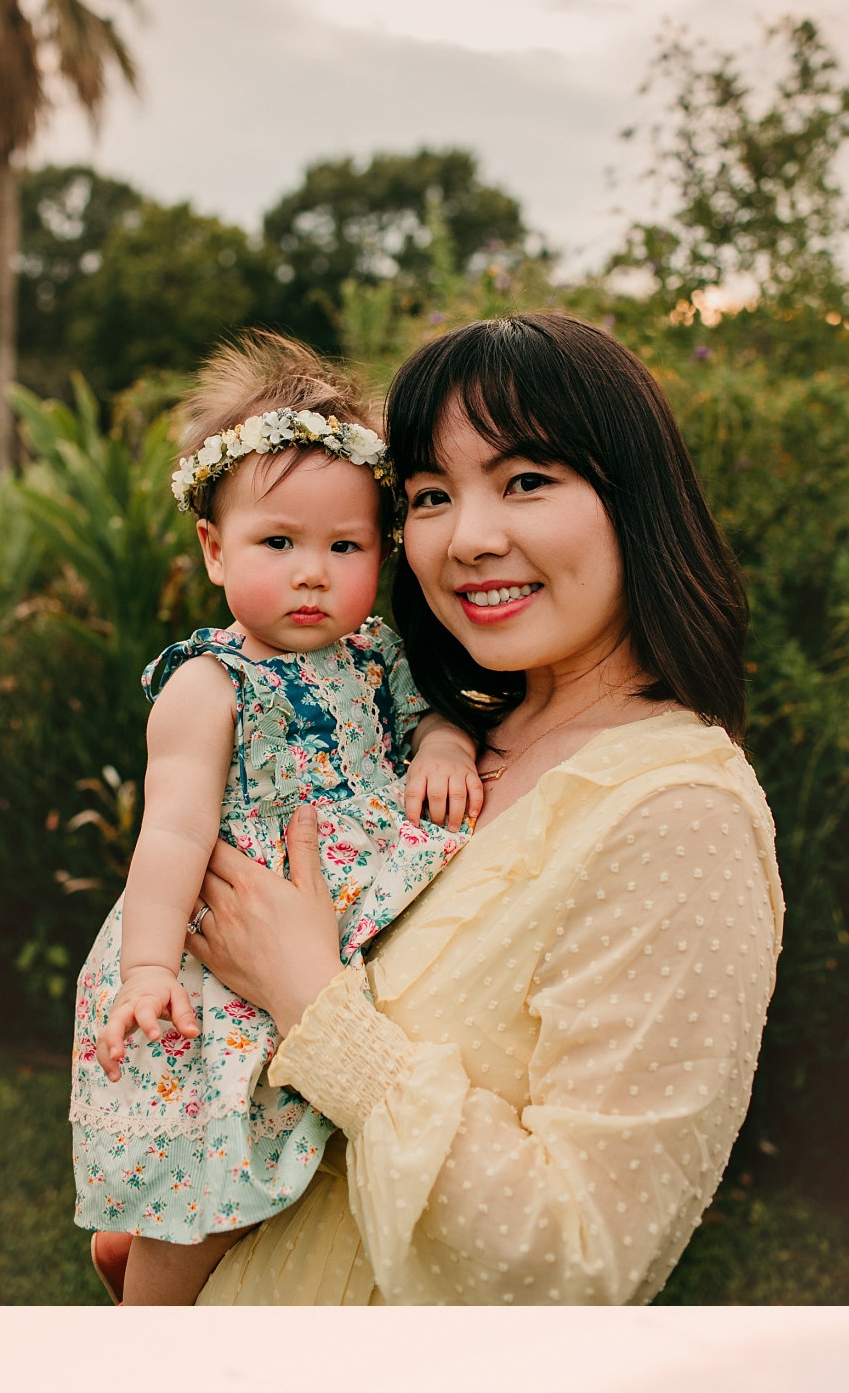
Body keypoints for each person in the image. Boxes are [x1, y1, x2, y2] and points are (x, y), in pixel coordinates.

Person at [177, 317, 782, 1310]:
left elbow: (582, 1260)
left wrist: (317, 1011)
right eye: (428, 496)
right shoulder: (421, 742)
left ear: (634, 499)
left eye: (527, 480)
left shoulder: (677, 818)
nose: (468, 538)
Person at [70, 339, 478, 1306]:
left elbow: (437, 714)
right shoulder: (211, 684)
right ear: (216, 549)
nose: (312, 574)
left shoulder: (379, 656)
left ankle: (160, 1262)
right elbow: (171, 834)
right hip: (219, 967)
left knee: (294, 1160)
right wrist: (148, 969)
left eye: (345, 547)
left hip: (323, 943)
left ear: (381, 552)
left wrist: (445, 747)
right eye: (278, 543)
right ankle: (148, 1315)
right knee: (211, 1172)